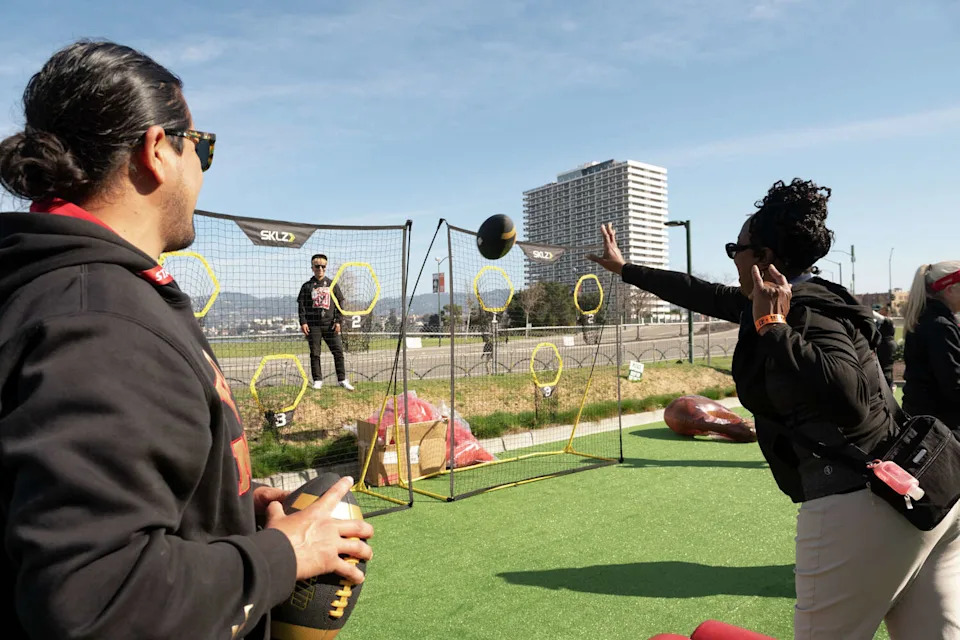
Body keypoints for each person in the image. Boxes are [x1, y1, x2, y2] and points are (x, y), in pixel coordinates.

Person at [0, 41, 373, 640]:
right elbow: (96, 601)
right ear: (156, 151)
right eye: (202, 147)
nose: (203, 167)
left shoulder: (73, 289)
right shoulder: (99, 322)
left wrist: (222, 509)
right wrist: (282, 555)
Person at [588, 179, 960, 639]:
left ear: (763, 258)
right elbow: (696, 291)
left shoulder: (801, 313)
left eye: (735, 249)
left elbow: (849, 398)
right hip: (925, 504)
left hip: (861, 505)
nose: (733, 259)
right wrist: (625, 269)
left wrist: (774, 327)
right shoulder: (808, 297)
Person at [901, 261, 960, 433]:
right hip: (939, 428)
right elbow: (953, 386)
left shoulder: (930, 318)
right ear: (949, 290)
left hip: (926, 423)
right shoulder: (940, 325)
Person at [297, 254, 354, 391]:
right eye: (317, 266)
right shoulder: (307, 286)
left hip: (330, 325)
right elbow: (301, 306)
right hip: (313, 325)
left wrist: (339, 321)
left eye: (323, 266)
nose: (320, 269)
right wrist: (303, 322)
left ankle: (342, 379)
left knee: (338, 352)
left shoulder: (332, 284)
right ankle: (317, 380)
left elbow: (340, 303)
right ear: (312, 268)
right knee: (315, 353)